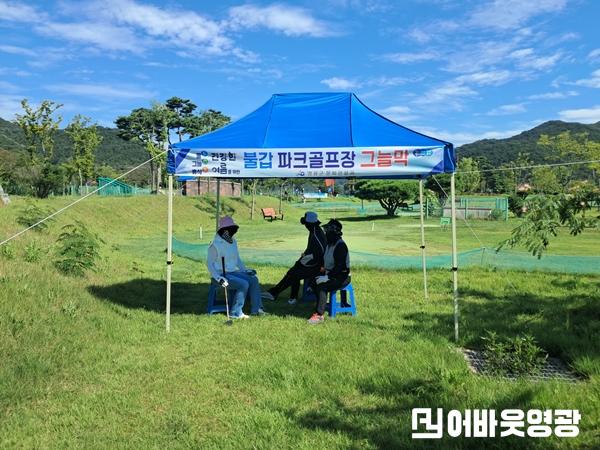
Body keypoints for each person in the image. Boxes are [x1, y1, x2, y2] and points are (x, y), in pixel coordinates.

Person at [207, 216, 266, 319]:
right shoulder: (215, 245)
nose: (231, 231)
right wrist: (219, 278)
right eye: (228, 229)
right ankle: (235, 312)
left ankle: (256, 309)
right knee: (243, 284)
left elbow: (237, 259)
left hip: (232, 272)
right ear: (223, 230)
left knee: (253, 279)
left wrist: (245, 270)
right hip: (221, 275)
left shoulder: (233, 241)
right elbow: (209, 264)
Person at [265, 211, 326, 304]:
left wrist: (304, 262)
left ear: (309, 224)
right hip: (313, 263)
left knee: (294, 273)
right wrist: (302, 260)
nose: (305, 226)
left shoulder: (316, 234)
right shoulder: (314, 231)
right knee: (293, 271)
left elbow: (320, 254)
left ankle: (275, 293)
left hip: (317, 266)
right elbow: (311, 250)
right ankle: (286, 295)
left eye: (306, 223)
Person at [308, 219, 351, 324]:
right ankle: (320, 304)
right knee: (314, 280)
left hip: (342, 277)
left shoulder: (340, 246)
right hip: (331, 273)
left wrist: (328, 277)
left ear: (334, 232)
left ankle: (319, 314)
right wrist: (321, 269)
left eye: (328, 231)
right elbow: (325, 261)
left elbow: (340, 267)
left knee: (322, 286)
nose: (326, 233)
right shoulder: (329, 244)